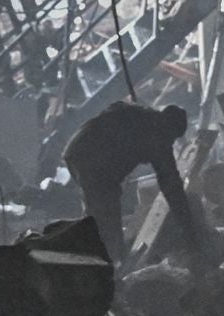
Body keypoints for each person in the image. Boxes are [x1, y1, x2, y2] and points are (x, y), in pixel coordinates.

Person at [62, 98, 208, 267]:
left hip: (77, 150)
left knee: (100, 208)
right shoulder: (158, 134)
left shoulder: (143, 116)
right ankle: (109, 265)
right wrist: (188, 227)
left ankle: (101, 257)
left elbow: (115, 106)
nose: (171, 142)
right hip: (93, 160)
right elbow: (171, 184)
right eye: (172, 138)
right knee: (106, 210)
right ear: (169, 127)